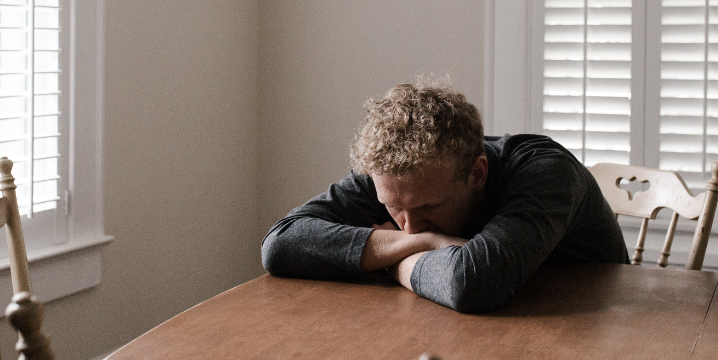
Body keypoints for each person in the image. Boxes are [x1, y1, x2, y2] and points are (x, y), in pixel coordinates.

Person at [261, 80, 628, 313]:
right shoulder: (396, 175)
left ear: (477, 173)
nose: (409, 227)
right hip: (479, 326)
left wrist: (389, 260)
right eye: (393, 208)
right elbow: (281, 244)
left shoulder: (547, 172)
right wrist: (426, 243)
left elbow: (474, 282)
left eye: (429, 208)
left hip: (602, 330)